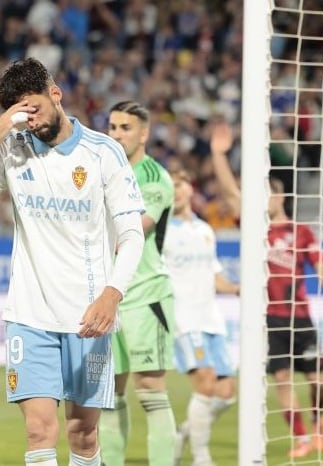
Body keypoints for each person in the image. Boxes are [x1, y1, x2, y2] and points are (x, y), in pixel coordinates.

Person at [0, 57, 146, 466]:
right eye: (19, 114)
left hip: (88, 316)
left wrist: (111, 295)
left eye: (32, 108)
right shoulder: (13, 152)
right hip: (29, 314)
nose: (29, 121)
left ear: (56, 94)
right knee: (38, 431)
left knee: (83, 435)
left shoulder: (103, 153)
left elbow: (132, 233)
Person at [210, 125, 323, 458]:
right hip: (270, 318)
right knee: (282, 379)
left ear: (280, 196)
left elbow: (322, 266)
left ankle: (318, 419)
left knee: (316, 381)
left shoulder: (300, 232)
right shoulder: (256, 228)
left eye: (268, 194)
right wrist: (218, 154)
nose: (264, 200)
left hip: (300, 317)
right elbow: (230, 193)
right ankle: (301, 439)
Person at [100, 101, 177, 466]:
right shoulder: (101, 173)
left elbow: (131, 233)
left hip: (146, 297)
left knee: (150, 389)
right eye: (112, 127)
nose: (116, 134)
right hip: (107, 299)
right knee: (109, 392)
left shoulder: (154, 178)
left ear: (143, 133)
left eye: (125, 128)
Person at [165, 170, 240, 466]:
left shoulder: (205, 230)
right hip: (183, 320)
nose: (175, 191)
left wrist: (237, 289)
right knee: (206, 383)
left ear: (189, 189)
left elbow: (216, 277)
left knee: (226, 393)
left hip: (212, 320)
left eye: (180, 185)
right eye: (170, 187)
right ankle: (201, 457)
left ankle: (184, 433)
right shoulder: (160, 232)